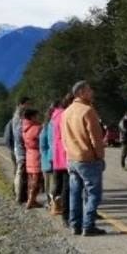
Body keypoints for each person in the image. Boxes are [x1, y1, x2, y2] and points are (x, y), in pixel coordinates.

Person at [62, 80, 107, 237]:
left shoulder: (66, 112)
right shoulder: (88, 111)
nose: (92, 92)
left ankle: (75, 224)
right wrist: (100, 157)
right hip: (88, 158)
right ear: (81, 92)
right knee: (94, 193)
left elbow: (64, 138)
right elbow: (96, 138)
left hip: (72, 158)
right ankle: (88, 225)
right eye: (89, 90)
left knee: (75, 193)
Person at [51, 94, 73, 222]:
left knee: (59, 185)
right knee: (67, 187)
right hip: (65, 154)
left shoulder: (56, 115)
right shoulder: (64, 116)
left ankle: (56, 207)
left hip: (58, 155)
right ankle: (66, 215)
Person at [6, 96, 31, 204]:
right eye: (27, 104)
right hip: (20, 149)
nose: (29, 106)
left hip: (16, 149)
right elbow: (18, 134)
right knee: (20, 172)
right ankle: (20, 196)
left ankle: (18, 193)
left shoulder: (14, 117)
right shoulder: (19, 118)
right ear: (21, 104)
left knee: (18, 172)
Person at [22, 108, 43, 209]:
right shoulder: (36, 128)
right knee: (36, 180)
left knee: (31, 180)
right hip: (36, 156)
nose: (38, 118)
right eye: (37, 116)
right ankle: (31, 201)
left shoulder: (25, 127)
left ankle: (31, 200)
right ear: (32, 117)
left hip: (29, 155)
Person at [39, 102, 56, 211]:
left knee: (54, 184)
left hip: (53, 160)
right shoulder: (46, 127)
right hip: (48, 161)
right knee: (50, 184)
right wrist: (48, 157)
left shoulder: (50, 125)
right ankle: (50, 203)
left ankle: (54, 203)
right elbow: (42, 145)